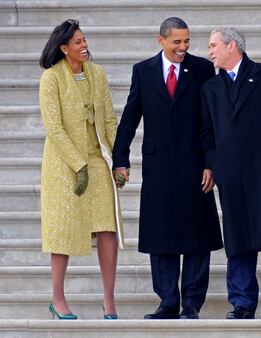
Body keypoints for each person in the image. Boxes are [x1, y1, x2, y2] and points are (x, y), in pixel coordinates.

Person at [112, 17, 223, 320]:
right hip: (158, 164)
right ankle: (167, 302)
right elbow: (131, 115)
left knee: (197, 236)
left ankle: (191, 305)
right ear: (160, 40)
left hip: (194, 164)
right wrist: (120, 158)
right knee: (161, 235)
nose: (183, 47)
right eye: (177, 42)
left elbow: (210, 118)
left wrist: (210, 163)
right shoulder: (143, 71)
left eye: (187, 41)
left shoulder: (201, 68)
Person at [201, 27, 261, 319]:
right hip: (230, 174)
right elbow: (207, 133)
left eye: (213, 45)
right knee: (238, 238)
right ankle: (242, 303)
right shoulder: (210, 88)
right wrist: (216, 165)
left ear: (232, 46)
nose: (210, 51)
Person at [39, 19, 123, 320]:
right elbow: (54, 128)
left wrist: (119, 159)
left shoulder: (97, 74)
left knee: (107, 230)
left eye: (85, 40)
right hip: (64, 164)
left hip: (97, 160)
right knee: (62, 231)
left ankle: (109, 300)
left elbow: (110, 120)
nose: (84, 45)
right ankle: (57, 299)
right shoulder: (51, 79)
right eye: (78, 42)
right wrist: (78, 165)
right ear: (64, 48)